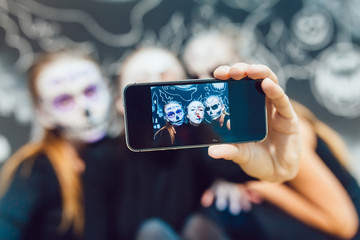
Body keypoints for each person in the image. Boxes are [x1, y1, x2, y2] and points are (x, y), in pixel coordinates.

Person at [183, 31, 360, 239]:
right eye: (193, 77)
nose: (204, 84)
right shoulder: (211, 136)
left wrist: (253, 185)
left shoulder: (280, 128)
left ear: (244, 67)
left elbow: (343, 224)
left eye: (216, 71)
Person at [114, 46, 301, 239]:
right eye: (142, 80)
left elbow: (232, 168)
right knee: (152, 231)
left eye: (167, 78)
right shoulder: (106, 158)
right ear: (120, 101)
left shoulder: (197, 140)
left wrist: (229, 181)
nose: (157, 84)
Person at [0, 51, 115, 240]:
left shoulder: (123, 156)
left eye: (91, 91)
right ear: (43, 113)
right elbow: (8, 223)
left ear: (108, 89)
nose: (85, 108)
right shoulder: (36, 168)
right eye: (64, 101)